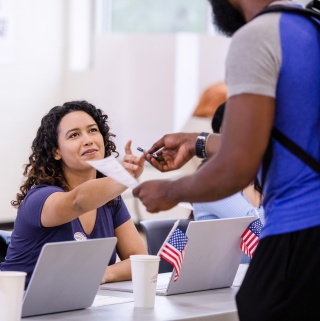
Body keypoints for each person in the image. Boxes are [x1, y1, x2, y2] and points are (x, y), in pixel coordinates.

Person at [133, 0, 320, 320]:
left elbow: (238, 164)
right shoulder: (309, 26)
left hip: (301, 230)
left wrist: (168, 192)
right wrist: (198, 143)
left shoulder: (257, 36)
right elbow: (283, 138)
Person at [0, 100, 148, 288]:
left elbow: (141, 260)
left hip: (79, 308)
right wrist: (122, 177)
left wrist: (103, 273)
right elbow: (78, 201)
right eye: (74, 135)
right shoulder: (40, 199)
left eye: (93, 130)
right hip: (21, 311)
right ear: (56, 152)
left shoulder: (111, 200)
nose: (88, 139)